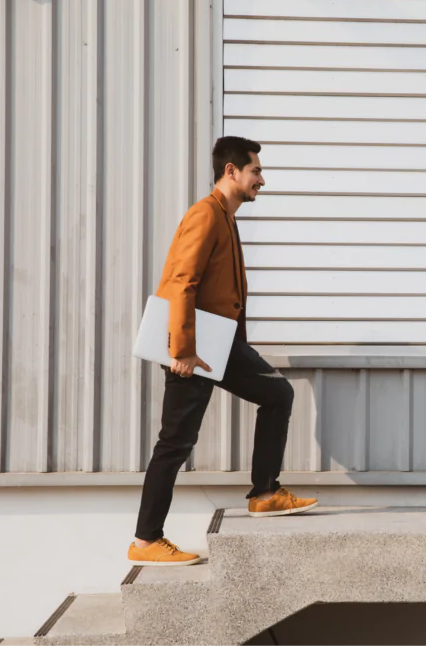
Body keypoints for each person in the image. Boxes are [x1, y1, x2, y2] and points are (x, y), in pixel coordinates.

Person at [128, 136, 318, 566]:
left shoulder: (225, 217)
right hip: (193, 348)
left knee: (277, 394)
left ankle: (265, 493)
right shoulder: (205, 215)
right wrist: (182, 350)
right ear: (231, 171)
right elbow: (182, 281)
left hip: (220, 344)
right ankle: (145, 541)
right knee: (175, 443)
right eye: (255, 171)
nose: (262, 180)